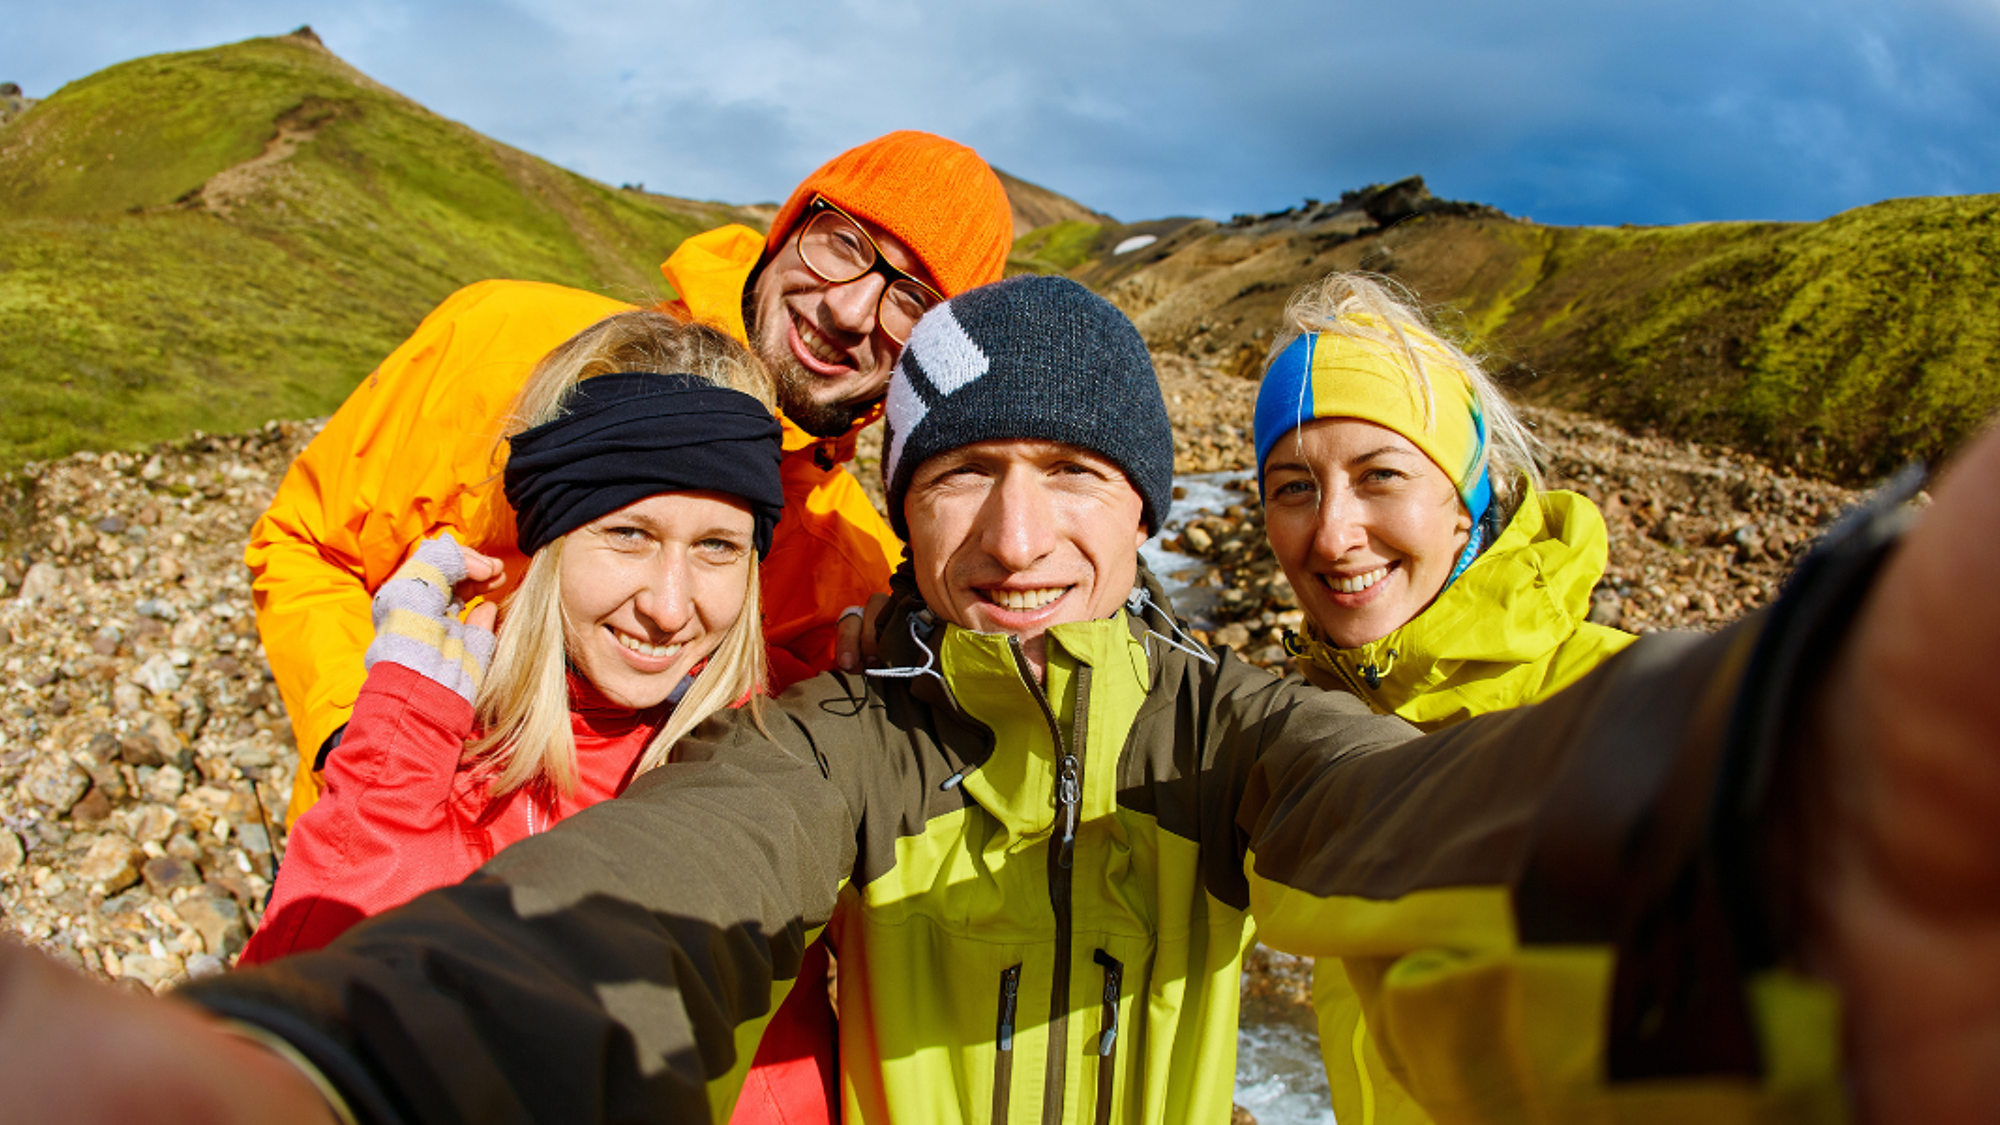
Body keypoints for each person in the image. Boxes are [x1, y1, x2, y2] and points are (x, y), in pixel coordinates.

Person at [3, 275, 1998, 1124]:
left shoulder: (1222, 722)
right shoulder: (837, 736)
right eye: (965, 471)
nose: (1023, 533)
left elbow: (1412, 804)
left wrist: (1777, 756)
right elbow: (625, 912)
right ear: (902, 508)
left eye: (1079, 480)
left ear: (1141, 514)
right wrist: (321, 1062)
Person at [251, 130, 1015, 827]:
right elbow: (306, 544)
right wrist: (357, 743)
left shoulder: (854, 570)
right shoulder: (499, 344)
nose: (849, 308)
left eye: (912, 300)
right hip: (365, 865)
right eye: (841, 243)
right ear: (786, 228)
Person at [239, 310, 782, 964]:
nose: (668, 609)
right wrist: (395, 751)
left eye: (717, 544)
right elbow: (306, 1026)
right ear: (547, 538)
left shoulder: (772, 776)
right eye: (628, 534)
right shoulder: (440, 766)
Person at [1251, 273, 1635, 1123]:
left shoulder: (1608, 707)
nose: (1333, 532)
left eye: (1380, 474)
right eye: (1293, 486)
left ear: (1470, 498)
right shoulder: (1308, 728)